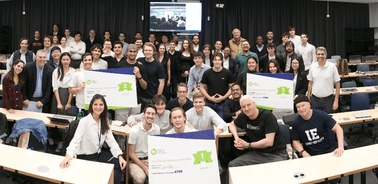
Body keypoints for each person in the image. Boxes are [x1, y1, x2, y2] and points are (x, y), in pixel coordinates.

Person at [60, 94, 127, 184]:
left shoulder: (105, 121)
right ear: (91, 106)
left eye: (101, 104)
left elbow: (112, 141)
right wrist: (68, 156)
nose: (98, 107)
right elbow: (75, 142)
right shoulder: (84, 122)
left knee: (118, 164)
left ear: (104, 106)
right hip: (85, 157)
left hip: (98, 154)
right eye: (95, 104)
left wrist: (119, 156)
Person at [228, 95, 288, 167]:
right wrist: (236, 137)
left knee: (273, 170)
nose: (246, 108)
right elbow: (232, 125)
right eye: (243, 107)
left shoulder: (267, 116)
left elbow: (269, 142)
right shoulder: (243, 116)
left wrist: (247, 145)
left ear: (254, 104)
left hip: (276, 153)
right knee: (233, 165)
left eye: (249, 105)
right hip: (258, 153)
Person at [114, 44, 148, 121]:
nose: (132, 53)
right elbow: (114, 84)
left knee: (134, 125)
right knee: (120, 125)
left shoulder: (141, 66)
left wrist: (139, 76)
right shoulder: (120, 65)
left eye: (134, 52)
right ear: (126, 52)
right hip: (122, 101)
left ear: (137, 53)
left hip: (136, 100)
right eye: (130, 51)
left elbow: (145, 86)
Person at [128, 104, 160, 184]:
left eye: (153, 114)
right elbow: (131, 153)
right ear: (143, 115)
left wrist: (151, 161)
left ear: (155, 116)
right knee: (140, 178)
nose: (150, 116)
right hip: (136, 161)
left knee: (159, 176)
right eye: (148, 113)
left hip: (150, 159)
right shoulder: (134, 130)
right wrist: (145, 168)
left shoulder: (156, 129)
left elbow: (155, 149)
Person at [200, 52, 233, 119]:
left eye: (219, 60)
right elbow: (201, 87)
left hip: (223, 103)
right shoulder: (207, 73)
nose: (217, 62)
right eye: (215, 60)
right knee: (208, 122)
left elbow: (232, 87)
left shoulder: (227, 73)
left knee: (220, 123)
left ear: (222, 61)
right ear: (212, 61)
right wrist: (209, 98)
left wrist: (223, 97)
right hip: (209, 102)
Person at [307, 47, 340, 114]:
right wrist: (308, 99)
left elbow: (337, 83)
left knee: (328, 122)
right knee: (316, 121)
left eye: (322, 54)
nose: (320, 56)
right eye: (318, 54)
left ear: (326, 55)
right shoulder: (312, 66)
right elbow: (310, 83)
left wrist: (336, 100)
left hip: (328, 100)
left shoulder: (332, 67)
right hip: (315, 100)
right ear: (316, 56)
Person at [137, 42, 165, 112]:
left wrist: (158, 98)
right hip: (140, 96)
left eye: (150, 50)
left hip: (152, 96)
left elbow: (161, 82)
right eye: (146, 50)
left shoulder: (158, 65)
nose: (148, 52)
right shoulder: (139, 61)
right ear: (143, 52)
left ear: (153, 52)